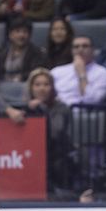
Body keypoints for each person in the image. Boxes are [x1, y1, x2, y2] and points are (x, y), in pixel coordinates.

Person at [25, 67, 73, 198]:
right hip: (28, 156)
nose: (42, 88)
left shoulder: (61, 108)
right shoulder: (24, 107)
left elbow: (56, 132)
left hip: (55, 156)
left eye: (46, 84)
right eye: (37, 84)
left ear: (52, 87)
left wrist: (42, 109)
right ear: (31, 88)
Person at [50, 35, 106, 106]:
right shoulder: (57, 71)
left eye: (85, 46)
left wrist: (81, 73)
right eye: (76, 47)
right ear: (72, 51)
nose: (80, 50)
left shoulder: (104, 74)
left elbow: (91, 101)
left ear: (92, 50)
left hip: (87, 114)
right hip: (59, 113)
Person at [0, 16, 47, 84]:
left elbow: (35, 75)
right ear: (10, 35)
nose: (21, 35)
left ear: (30, 35)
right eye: (17, 31)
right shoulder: (2, 53)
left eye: (25, 32)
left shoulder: (37, 53)